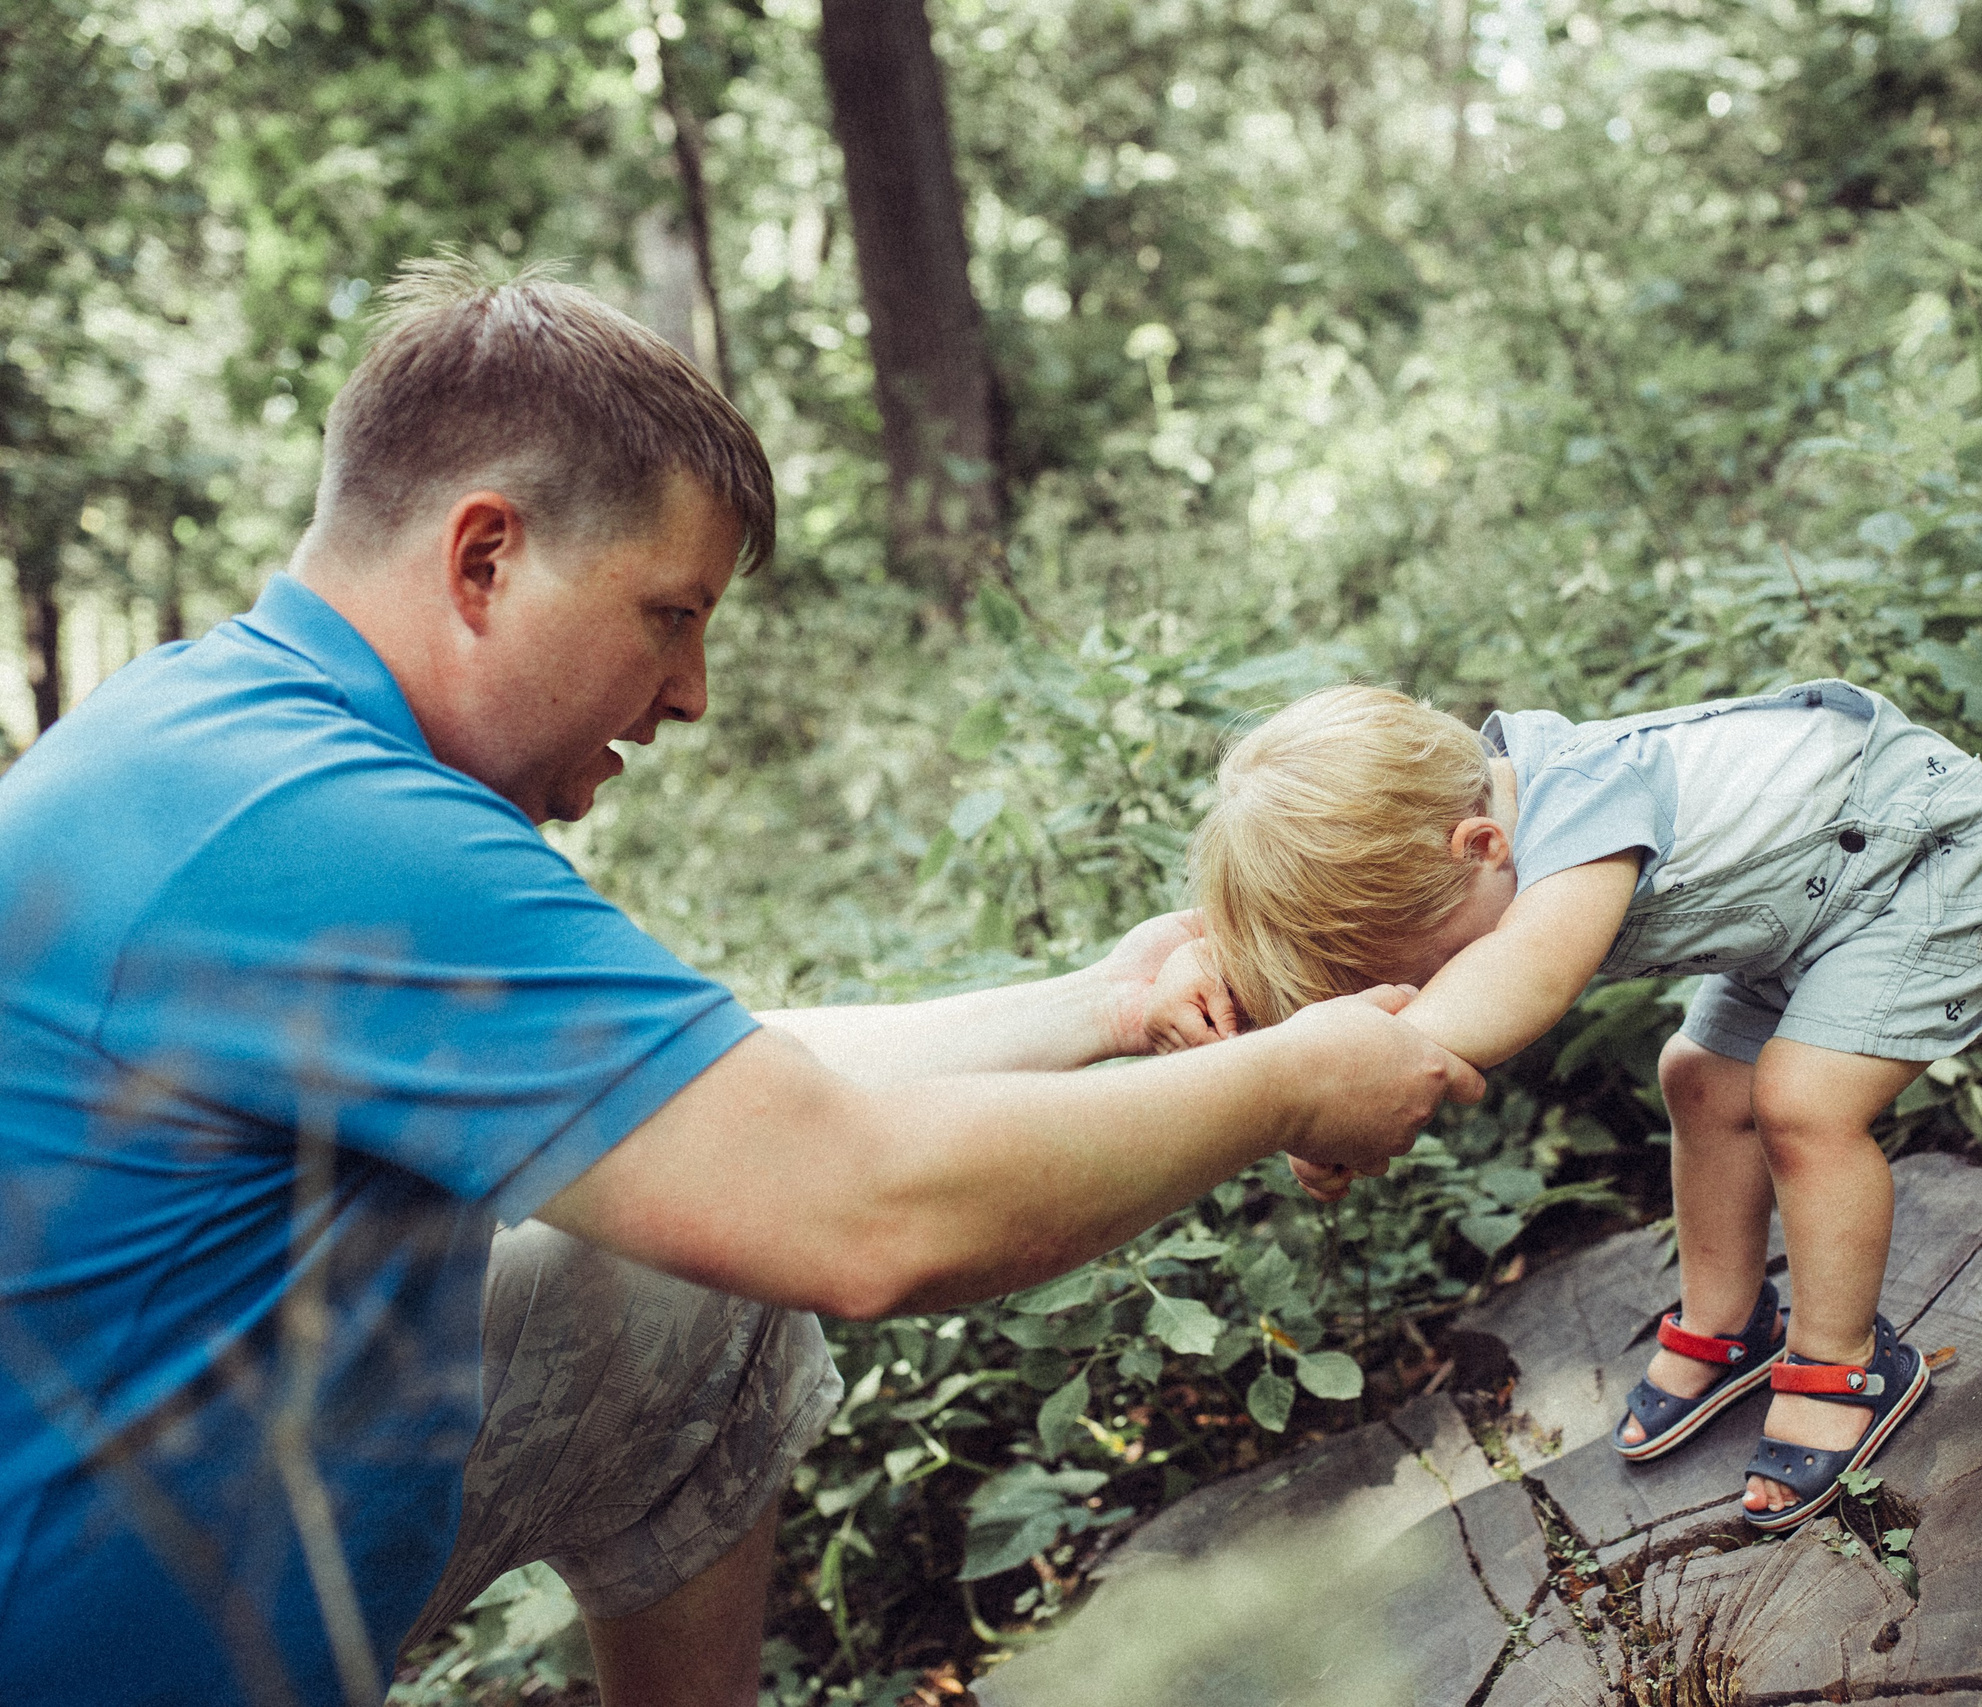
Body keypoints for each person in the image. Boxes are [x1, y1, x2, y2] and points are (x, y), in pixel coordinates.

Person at [0, 263, 1482, 1707]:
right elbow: (853, 1212)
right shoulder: (318, 828)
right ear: (484, 557)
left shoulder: (219, 738)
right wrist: (1286, 1080)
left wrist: (1104, 1006)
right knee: (757, 1250)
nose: (693, 692)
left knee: (684, 1302)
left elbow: (712, 1107)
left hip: (197, 1509)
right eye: (670, 613)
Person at [1144, 681, 1982, 1530]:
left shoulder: (1587, 808)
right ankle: (1732, 1320)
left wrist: (1328, 1091)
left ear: (1481, 850)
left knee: (1803, 1104)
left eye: (1413, 970)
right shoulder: (1453, 828)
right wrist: (1204, 964)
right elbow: (1294, 932)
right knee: (1698, 1078)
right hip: (1809, 907)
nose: (1405, 990)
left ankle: (1848, 1361)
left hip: (1924, 867)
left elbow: (1526, 976)